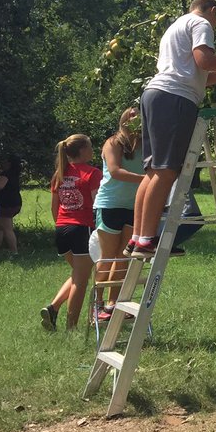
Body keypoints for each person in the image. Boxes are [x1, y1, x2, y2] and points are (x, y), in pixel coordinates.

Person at [128, 0, 216, 259]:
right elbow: (204, 61)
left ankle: (137, 238)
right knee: (166, 171)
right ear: (212, 10)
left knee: (153, 171)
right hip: (175, 100)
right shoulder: (201, 23)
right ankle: (146, 241)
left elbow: (200, 76)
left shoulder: (175, 27)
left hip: (156, 95)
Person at [42, 134, 102, 331]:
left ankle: (53, 308)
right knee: (81, 280)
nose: (93, 150)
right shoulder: (93, 174)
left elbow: (54, 207)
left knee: (78, 274)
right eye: (90, 146)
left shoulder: (59, 174)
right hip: (82, 229)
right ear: (83, 150)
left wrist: (61, 224)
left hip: (61, 229)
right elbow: (97, 206)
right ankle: (71, 328)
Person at [92, 108, 146, 321]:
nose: (136, 120)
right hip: (110, 205)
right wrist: (146, 181)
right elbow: (114, 171)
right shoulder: (113, 142)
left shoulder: (146, 145)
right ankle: (96, 304)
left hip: (135, 207)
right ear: (124, 119)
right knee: (108, 257)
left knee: (124, 257)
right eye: (131, 115)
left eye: (140, 116)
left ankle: (113, 304)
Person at [0, 154, 22, 255]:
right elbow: (3, 174)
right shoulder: (13, 173)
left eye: (5, 161)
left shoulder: (5, 175)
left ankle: (14, 252)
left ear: (9, 163)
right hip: (14, 203)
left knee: (7, 229)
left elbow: (0, 186)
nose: (3, 163)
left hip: (6, 205)